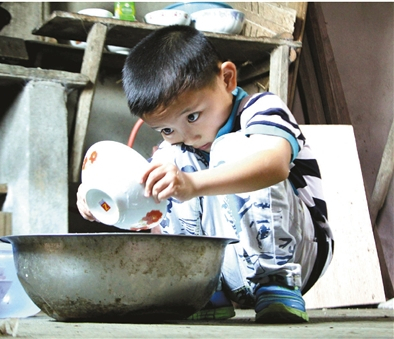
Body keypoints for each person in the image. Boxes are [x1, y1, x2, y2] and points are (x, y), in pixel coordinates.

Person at [77, 25, 333, 324]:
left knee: (227, 149)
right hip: (229, 267)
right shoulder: (177, 149)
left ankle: (276, 281)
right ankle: (203, 288)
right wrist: (102, 203)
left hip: (296, 255)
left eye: (193, 116)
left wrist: (192, 184)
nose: (187, 135)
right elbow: (152, 213)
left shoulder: (261, 108)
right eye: (167, 129)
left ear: (227, 78)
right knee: (165, 166)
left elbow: (274, 165)